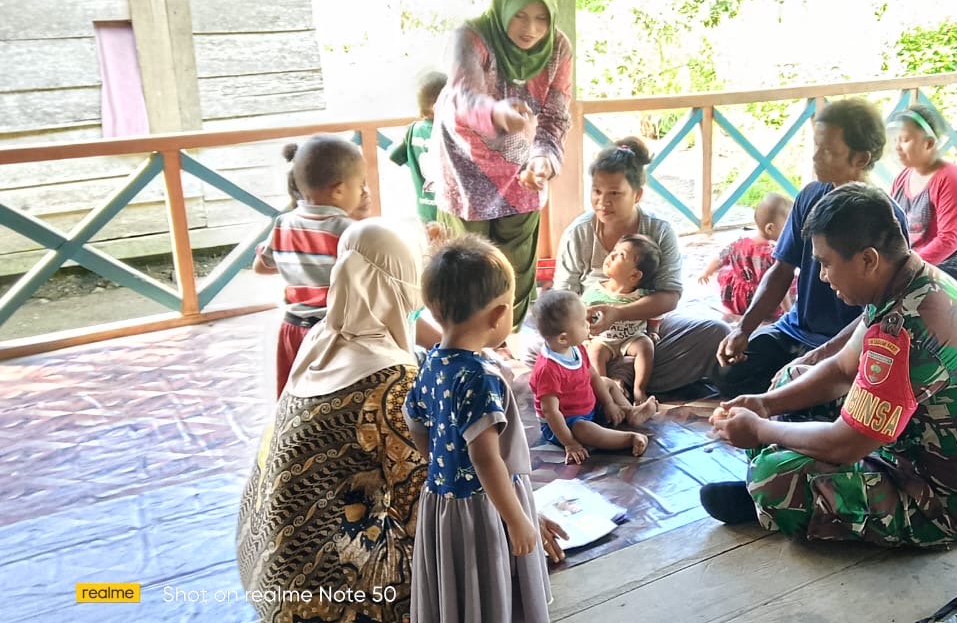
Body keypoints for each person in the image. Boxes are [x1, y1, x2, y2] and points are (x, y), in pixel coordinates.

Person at [699, 183, 957, 548]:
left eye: (826, 263)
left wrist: (761, 429)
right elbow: (841, 369)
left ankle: (775, 494)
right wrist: (765, 405)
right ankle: (789, 490)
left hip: (948, 502)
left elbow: (845, 444)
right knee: (791, 379)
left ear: (868, 260)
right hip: (915, 446)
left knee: (774, 478)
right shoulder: (907, 281)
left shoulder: (904, 330)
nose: (822, 276)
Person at [237, 219, 424, 622]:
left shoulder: (320, 337)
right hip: (320, 599)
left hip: (265, 569)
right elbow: (419, 496)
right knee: (456, 540)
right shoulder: (392, 380)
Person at [714, 99, 910, 398]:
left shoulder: (885, 219)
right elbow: (781, 269)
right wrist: (744, 328)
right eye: (816, 147)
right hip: (796, 331)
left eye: (828, 151)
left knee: (805, 393)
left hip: (848, 343)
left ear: (861, 158)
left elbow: (882, 309)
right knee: (728, 373)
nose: (816, 157)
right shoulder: (810, 196)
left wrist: (819, 359)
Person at [403, 235, 551, 623]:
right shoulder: (480, 377)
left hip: (442, 500)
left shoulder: (430, 362)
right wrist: (516, 518)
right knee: (489, 585)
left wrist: (440, 464)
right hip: (483, 507)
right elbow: (486, 458)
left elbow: (415, 422)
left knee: (457, 591)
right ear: (498, 315)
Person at [433, 0, 572, 329]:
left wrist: (545, 159)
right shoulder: (471, 37)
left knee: (515, 267)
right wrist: (496, 113)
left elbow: (556, 114)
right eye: (520, 15)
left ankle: (505, 339)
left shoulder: (558, 48)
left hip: (522, 168)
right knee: (466, 269)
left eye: (541, 18)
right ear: (503, 5)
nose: (531, 29)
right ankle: (462, 345)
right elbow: (465, 96)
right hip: (465, 167)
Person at [552, 137, 731, 395]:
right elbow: (563, 297)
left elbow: (669, 297)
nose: (602, 202)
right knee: (543, 348)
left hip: (643, 331)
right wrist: (584, 324)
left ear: (637, 195)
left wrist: (618, 313)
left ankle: (612, 380)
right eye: (597, 191)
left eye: (614, 193)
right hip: (590, 335)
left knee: (716, 333)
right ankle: (617, 378)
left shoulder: (659, 230)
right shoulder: (578, 233)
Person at [253, 134, 369, 397]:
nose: (363, 192)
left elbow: (261, 266)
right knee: (335, 402)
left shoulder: (283, 223)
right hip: (334, 334)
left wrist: (300, 261)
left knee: (294, 399)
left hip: (292, 328)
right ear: (339, 190)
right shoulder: (348, 230)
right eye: (360, 184)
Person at [529, 290, 657, 463]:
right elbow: (551, 412)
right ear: (563, 338)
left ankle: (630, 413)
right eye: (583, 323)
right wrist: (570, 443)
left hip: (588, 406)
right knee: (583, 429)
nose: (588, 325)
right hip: (566, 423)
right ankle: (629, 438)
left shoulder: (576, 348)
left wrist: (609, 403)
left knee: (607, 383)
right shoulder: (547, 369)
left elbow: (594, 377)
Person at [888, 104, 957, 292]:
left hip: (945, 276)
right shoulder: (902, 178)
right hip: (909, 268)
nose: (897, 147)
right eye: (896, 139)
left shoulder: (950, 179)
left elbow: (948, 240)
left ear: (928, 143)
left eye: (905, 140)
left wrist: (904, 270)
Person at [582, 234, 662, 402]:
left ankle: (639, 390)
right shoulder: (594, 292)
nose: (612, 255)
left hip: (632, 337)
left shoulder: (642, 295)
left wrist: (653, 331)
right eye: (614, 251)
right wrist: (586, 337)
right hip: (604, 339)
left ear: (635, 275)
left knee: (646, 345)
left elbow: (654, 313)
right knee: (594, 352)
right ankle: (604, 391)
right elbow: (583, 316)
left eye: (621, 255)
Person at [698, 192, 793, 317]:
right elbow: (779, 287)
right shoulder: (772, 254)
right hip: (758, 302)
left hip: (735, 299)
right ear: (770, 228)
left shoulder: (739, 242)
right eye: (787, 227)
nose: (790, 231)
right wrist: (788, 312)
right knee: (790, 281)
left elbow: (720, 258)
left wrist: (706, 272)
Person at [388, 70, 448, 228]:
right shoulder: (449, 131)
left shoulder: (413, 129)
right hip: (448, 212)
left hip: (424, 211)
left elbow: (395, 156)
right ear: (437, 106)